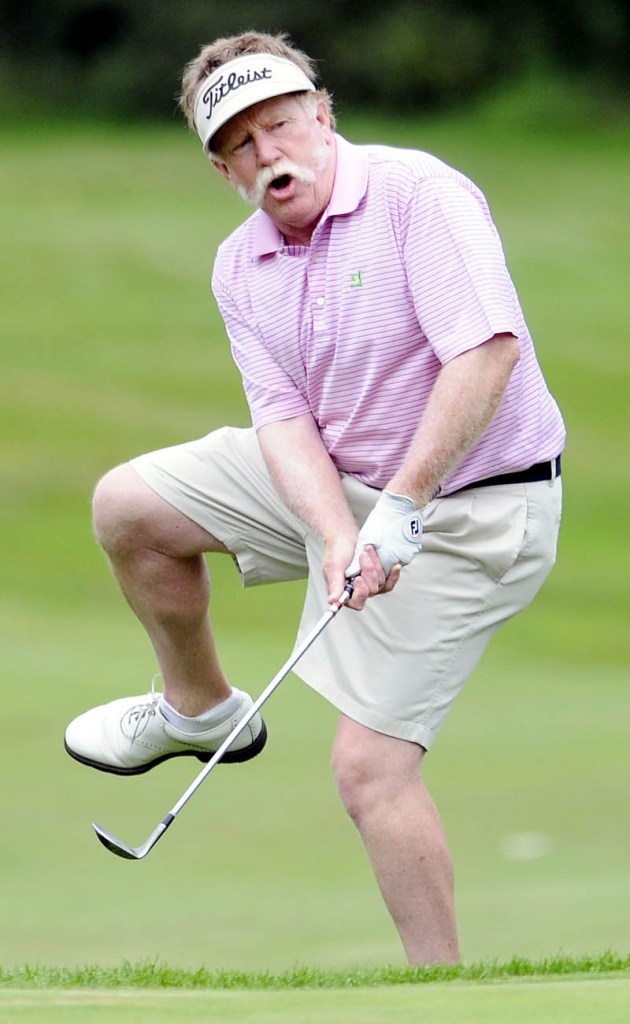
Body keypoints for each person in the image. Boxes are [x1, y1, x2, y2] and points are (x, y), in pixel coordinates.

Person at [64, 30, 565, 964]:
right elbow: (284, 422)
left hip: (474, 508)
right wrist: (335, 531)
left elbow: (487, 353)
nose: (269, 153)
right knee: (128, 506)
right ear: (223, 170)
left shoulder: (419, 195)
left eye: (282, 126)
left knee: (369, 772)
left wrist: (400, 506)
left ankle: (445, 995)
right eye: (240, 144)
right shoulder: (239, 265)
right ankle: (202, 710)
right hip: (341, 477)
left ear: (323, 117)